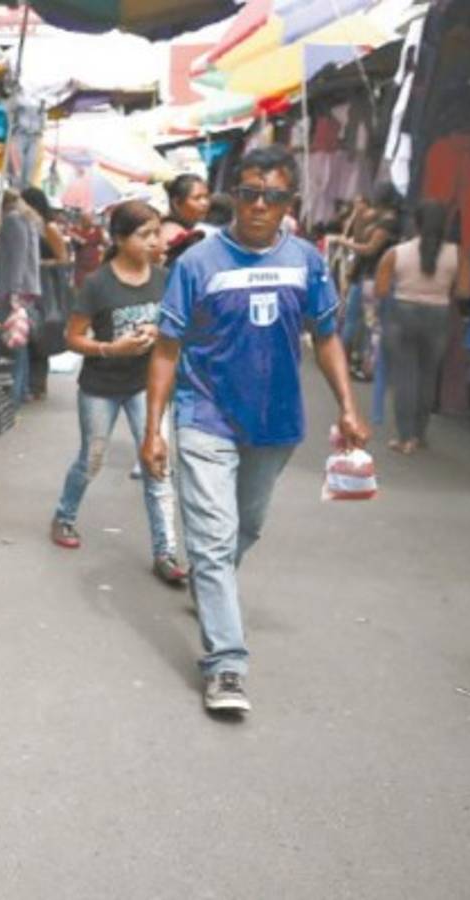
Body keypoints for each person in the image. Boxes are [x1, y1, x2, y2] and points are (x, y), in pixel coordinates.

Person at [141, 146, 369, 714]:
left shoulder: (308, 261)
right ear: (233, 197)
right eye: (247, 194)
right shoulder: (198, 263)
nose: (259, 206)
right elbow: (167, 349)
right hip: (205, 417)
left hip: (277, 421)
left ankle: (209, 584)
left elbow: (327, 335)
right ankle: (226, 664)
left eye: (272, 196)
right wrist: (153, 429)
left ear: (290, 202)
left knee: (248, 526)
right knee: (214, 541)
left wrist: (347, 405)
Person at [48, 201, 187, 586]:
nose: (155, 241)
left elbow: (178, 330)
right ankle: (64, 516)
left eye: (157, 232)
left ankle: (166, 551)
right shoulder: (98, 284)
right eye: (145, 235)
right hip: (101, 387)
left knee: (157, 463)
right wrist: (112, 348)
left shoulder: (164, 279)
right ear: (121, 239)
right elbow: (72, 339)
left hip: (147, 386)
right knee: (91, 459)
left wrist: (157, 335)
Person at [374, 200, 470, 454]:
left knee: (405, 376)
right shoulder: (457, 254)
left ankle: (405, 438)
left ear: (416, 223)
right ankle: (420, 434)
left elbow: (381, 290)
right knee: (428, 377)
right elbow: (464, 292)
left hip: (402, 315)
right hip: (438, 316)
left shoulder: (396, 253)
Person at [328, 183, 402, 377]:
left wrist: (344, 242)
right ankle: (345, 360)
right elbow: (359, 237)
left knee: (369, 323)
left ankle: (366, 365)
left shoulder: (390, 223)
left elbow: (370, 248)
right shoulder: (376, 218)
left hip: (374, 275)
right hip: (362, 273)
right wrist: (357, 215)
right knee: (352, 318)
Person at [0, 189, 42, 405]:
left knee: (14, 342)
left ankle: (14, 395)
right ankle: (20, 391)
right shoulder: (27, 220)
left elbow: (18, 258)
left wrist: (13, 291)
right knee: (21, 340)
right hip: (26, 288)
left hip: (15, 289)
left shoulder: (13, 221)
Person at [22, 186, 71, 400]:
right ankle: (33, 384)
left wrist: (37, 263)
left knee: (40, 332)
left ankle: (36, 385)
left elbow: (63, 259)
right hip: (34, 285)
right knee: (33, 333)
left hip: (46, 286)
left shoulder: (48, 227)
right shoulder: (28, 225)